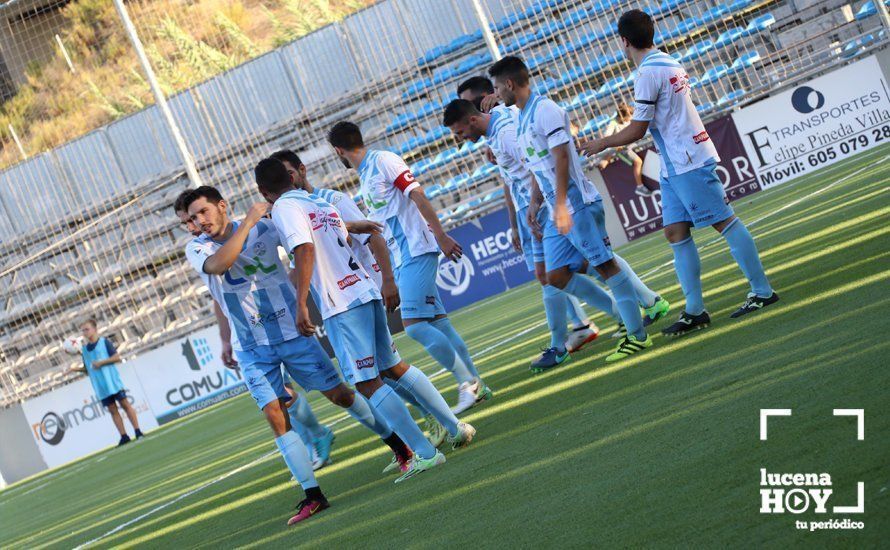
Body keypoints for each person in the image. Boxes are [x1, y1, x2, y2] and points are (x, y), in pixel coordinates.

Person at [179, 186, 411, 525]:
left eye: (203, 212)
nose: (199, 221)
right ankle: (313, 495)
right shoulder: (198, 246)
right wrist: (226, 338)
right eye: (192, 217)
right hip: (252, 348)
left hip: (292, 333)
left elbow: (306, 236)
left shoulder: (265, 228)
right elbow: (218, 266)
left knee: (341, 396)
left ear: (222, 206)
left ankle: (398, 444)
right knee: (275, 414)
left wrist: (351, 225)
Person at [254, 158, 476, 484]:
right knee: (394, 368)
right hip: (363, 290)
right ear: (290, 177)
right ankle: (455, 428)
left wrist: (301, 303)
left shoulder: (288, 208)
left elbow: (304, 248)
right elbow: (333, 233)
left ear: (263, 190)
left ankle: (425, 454)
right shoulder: (315, 200)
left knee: (367, 382)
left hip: (340, 303)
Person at [580, 9, 779, 335]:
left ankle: (762, 291)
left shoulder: (647, 73)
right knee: (675, 232)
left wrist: (601, 142)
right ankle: (695, 311)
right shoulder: (668, 61)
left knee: (725, 221)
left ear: (624, 42)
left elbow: (637, 130)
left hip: (686, 158)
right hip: (674, 161)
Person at [488, 55, 666, 362]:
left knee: (605, 266)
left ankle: (636, 333)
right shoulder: (521, 117)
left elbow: (562, 159)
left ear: (509, 84)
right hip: (555, 209)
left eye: (496, 88)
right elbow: (537, 166)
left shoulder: (546, 110)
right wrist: (534, 203)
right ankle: (631, 314)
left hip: (576, 205)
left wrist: (559, 205)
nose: (495, 95)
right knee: (555, 275)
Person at [326, 121, 492, 413]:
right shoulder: (366, 175)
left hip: (416, 249)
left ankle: (467, 383)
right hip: (403, 257)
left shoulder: (384, 161)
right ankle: (478, 383)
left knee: (414, 327)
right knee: (439, 323)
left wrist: (440, 235)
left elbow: (418, 195)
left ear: (338, 150)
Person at [443, 97, 603, 372]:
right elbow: (512, 177)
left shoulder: (504, 131)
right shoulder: (495, 135)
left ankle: (624, 308)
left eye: (459, 132)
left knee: (571, 268)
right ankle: (610, 314)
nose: (460, 139)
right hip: (531, 207)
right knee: (557, 273)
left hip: (544, 203)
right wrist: (516, 221)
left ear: (475, 115)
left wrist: (534, 204)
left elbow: (534, 166)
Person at [174, 200, 336, 471]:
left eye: (193, 218)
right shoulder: (202, 248)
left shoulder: (231, 238)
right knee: (280, 397)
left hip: (274, 324)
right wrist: (225, 339)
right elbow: (220, 299)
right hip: (249, 334)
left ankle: (317, 435)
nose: (192, 226)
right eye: (186, 222)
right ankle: (313, 441)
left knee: (284, 395)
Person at [70, 319, 143, 446]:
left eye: (87, 329)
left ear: (95, 329)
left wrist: (101, 363)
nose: (85, 332)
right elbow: (88, 369)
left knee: (125, 405)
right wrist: (74, 369)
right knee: (113, 410)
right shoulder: (85, 350)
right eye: (83, 330)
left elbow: (117, 357)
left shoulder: (104, 342)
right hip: (100, 386)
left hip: (112, 381)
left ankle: (138, 431)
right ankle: (124, 436)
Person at [598, 101, 651, 197]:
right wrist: (617, 143)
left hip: (630, 145)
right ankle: (640, 187)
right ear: (622, 116)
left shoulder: (629, 120)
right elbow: (607, 138)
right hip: (620, 149)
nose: (630, 118)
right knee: (638, 162)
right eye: (629, 116)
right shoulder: (613, 123)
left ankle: (606, 159)